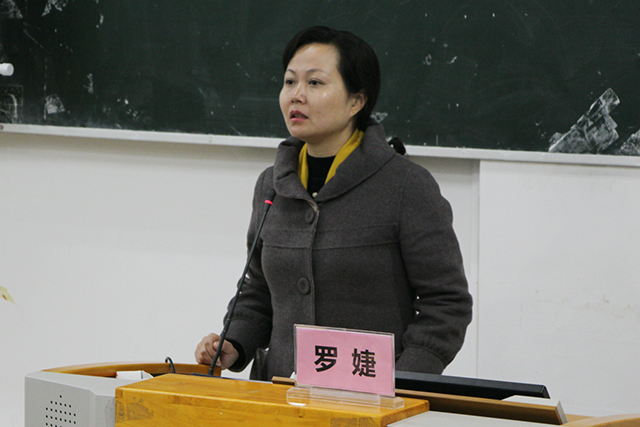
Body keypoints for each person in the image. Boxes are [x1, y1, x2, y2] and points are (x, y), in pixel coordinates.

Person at [195, 26, 472, 381]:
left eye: (315, 83)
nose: (296, 96)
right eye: (290, 82)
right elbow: (259, 288)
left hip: (371, 397)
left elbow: (447, 303)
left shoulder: (406, 186)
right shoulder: (272, 184)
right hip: (278, 395)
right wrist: (234, 342)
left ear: (357, 101)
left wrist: (403, 380)